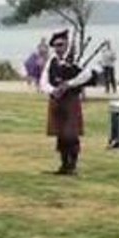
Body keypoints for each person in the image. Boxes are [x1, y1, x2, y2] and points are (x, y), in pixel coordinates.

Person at [40, 29, 97, 174]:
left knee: (71, 134)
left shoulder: (76, 59)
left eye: (61, 45)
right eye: (55, 46)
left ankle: (72, 165)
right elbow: (43, 81)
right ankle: (64, 164)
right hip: (57, 100)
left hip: (71, 100)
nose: (58, 48)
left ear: (66, 45)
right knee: (60, 134)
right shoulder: (52, 61)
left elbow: (86, 75)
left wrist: (68, 84)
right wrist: (53, 90)